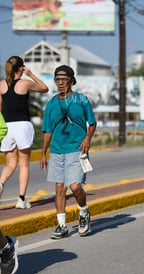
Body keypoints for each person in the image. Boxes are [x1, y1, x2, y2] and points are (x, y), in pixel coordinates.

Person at [40, 65, 97, 239]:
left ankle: (83, 212)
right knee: (59, 189)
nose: (60, 83)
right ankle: (62, 225)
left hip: (76, 149)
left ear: (72, 81)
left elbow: (92, 123)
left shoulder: (81, 100)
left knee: (75, 186)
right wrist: (43, 152)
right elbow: (48, 130)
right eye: (57, 80)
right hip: (57, 150)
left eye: (63, 80)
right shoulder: (51, 103)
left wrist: (87, 138)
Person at [0, 56, 49, 208]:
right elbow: (44, 88)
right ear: (21, 68)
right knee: (24, 165)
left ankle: (0, 183)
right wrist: (31, 74)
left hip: (7, 126)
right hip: (22, 126)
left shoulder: (1, 85)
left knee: (10, 164)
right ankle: (21, 200)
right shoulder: (25, 83)